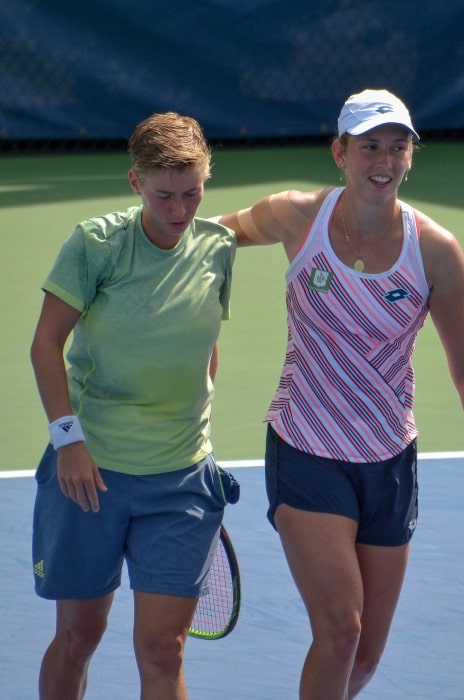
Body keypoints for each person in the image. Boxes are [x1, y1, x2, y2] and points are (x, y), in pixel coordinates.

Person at [218, 88, 464, 699]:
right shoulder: (297, 217)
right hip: (306, 447)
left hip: (389, 460)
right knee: (341, 631)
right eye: (370, 146)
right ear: (339, 152)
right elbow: (208, 238)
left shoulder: (436, 251)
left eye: (398, 148)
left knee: (365, 656)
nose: (386, 160)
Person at [30, 111, 238, 700]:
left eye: (193, 192)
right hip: (88, 475)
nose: (180, 209)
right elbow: (46, 344)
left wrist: (195, 428)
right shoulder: (95, 245)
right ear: (135, 183)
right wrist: (68, 440)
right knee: (78, 635)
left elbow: (204, 346)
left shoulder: (218, 248)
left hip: (181, 481)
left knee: (163, 647)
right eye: (164, 194)